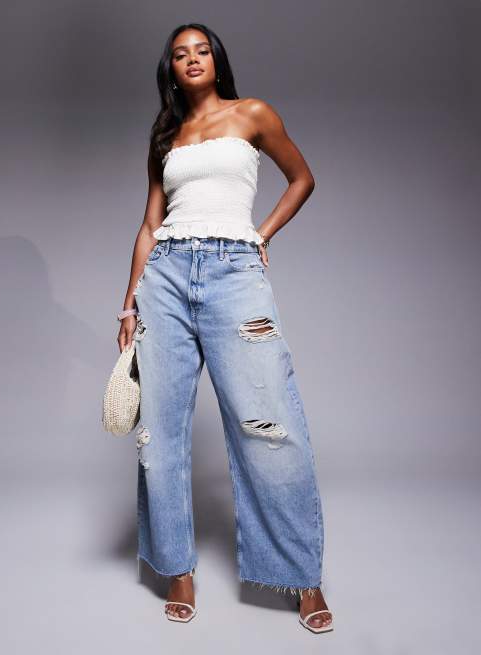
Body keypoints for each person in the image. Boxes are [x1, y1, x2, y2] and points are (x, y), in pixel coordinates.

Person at [117, 23, 334, 634]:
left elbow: (303, 178)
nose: (192, 59)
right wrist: (129, 305)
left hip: (233, 272)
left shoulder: (253, 113)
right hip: (164, 277)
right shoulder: (166, 134)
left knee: (270, 425)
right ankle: (177, 569)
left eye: (202, 50)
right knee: (159, 435)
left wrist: (259, 235)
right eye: (180, 54)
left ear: (216, 60)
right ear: (171, 68)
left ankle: (301, 576)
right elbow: (149, 225)